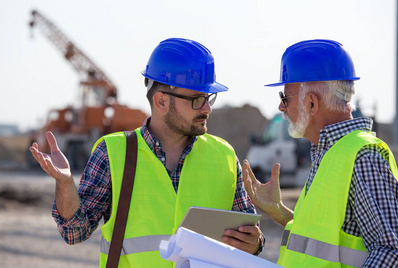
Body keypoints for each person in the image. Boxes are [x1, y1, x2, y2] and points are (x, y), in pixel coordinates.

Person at [29, 38, 264, 267]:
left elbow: (248, 238)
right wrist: (65, 184)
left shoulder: (224, 156)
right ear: (161, 101)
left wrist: (255, 243)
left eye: (209, 97)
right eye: (197, 99)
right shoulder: (112, 152)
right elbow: (74, 232)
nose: (208, 108)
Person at [243, 39, 398, 267]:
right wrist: (278, 211)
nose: (281, 108)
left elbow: (393, 254)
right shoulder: (331, 153)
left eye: (285, 98)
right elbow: (321, 241)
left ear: (312, 103)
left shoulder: (363, 158)